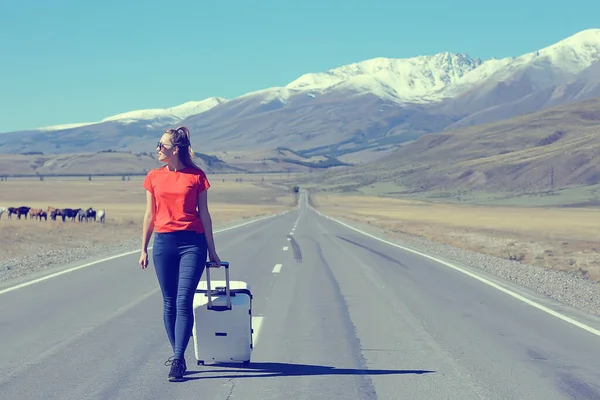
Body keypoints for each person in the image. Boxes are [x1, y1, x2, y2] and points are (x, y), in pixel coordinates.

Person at [139, 126, 221, 382]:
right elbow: (149, 215)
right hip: (164, 244)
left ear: (175, 150)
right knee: (169, 301)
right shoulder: (153, 176)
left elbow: (205, 215)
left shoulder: (197, 176)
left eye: (161, 146)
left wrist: (212, 250)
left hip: (192, 244)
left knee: (183, 300)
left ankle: (177, 359)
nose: (157, 149)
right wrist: (143, 248)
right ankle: (180, 355)